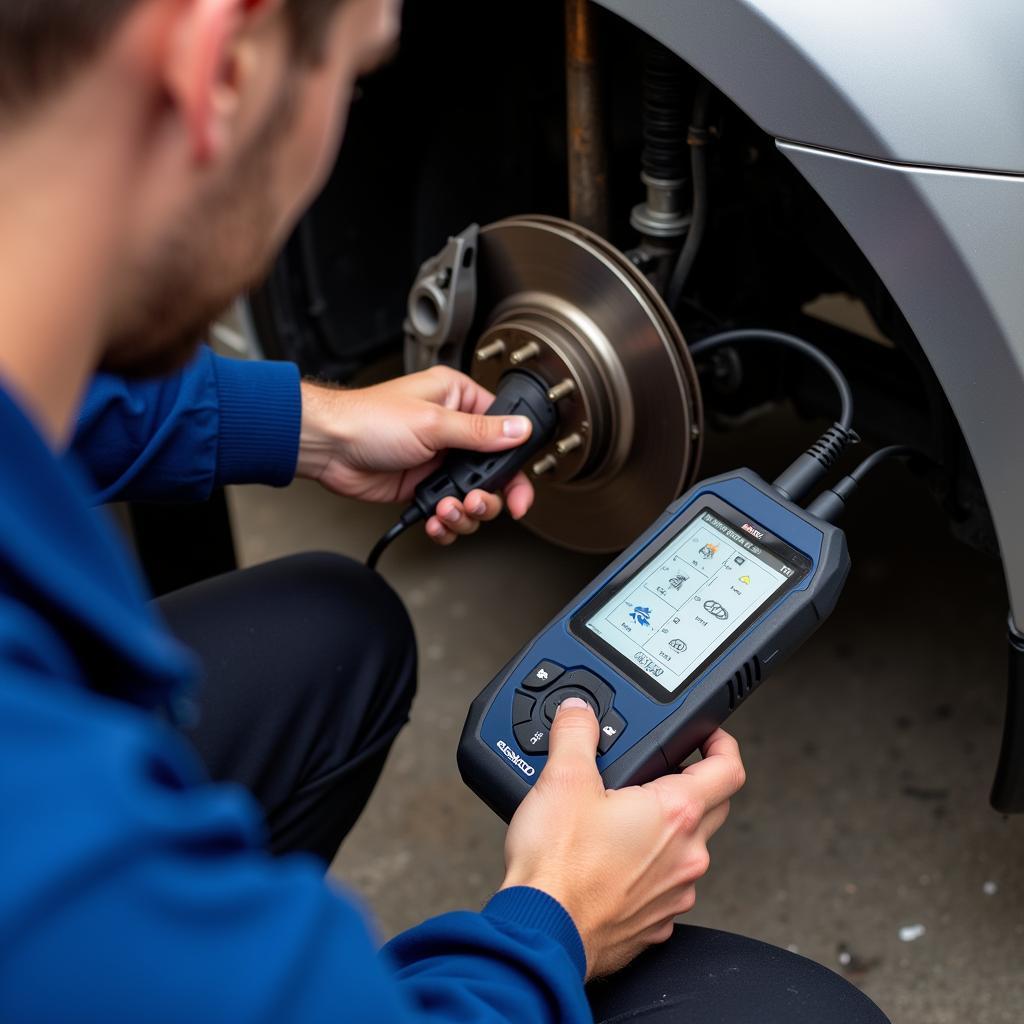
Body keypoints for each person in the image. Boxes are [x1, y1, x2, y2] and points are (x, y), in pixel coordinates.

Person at [0, 0, 889, 1021]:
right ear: (220, 69)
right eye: (357, 74)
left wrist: (303, 424)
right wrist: (551, 922)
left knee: (333, 628)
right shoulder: (55, 831)